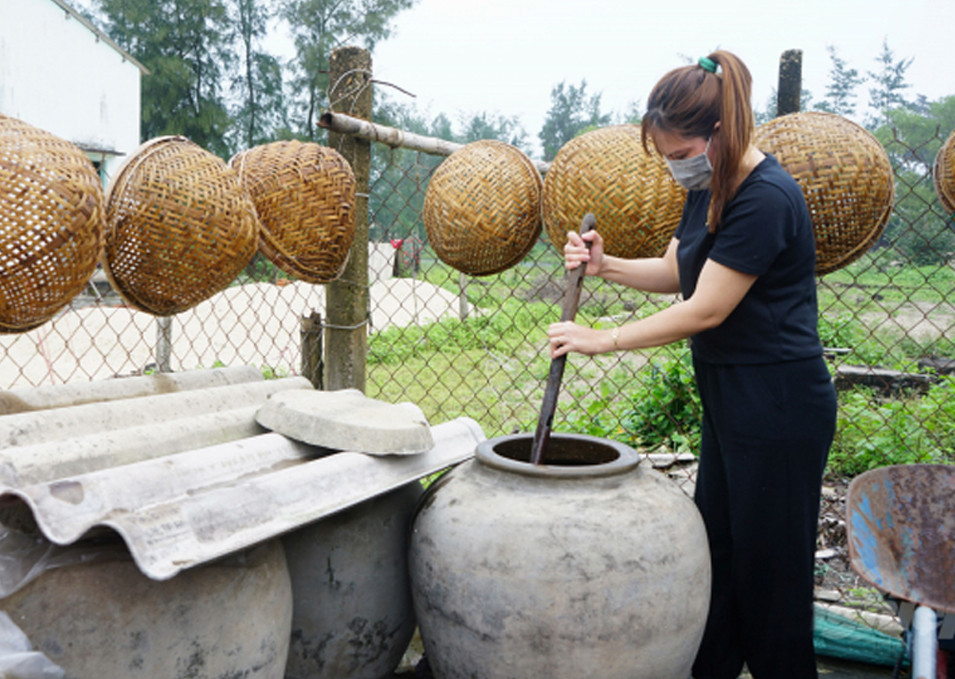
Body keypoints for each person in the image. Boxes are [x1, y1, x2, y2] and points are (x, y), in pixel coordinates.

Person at [547, 50, 837, 678]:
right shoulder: (713, 185)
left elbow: (705, 308)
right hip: (733, 396)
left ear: (720, 134)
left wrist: (604, 338)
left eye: (681, 152)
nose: (675, 165)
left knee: (772, 582)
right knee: (720, 561)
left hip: (778, 402)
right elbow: (682, 270)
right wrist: (606, 266)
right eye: (668, 154)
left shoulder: (766, 198)